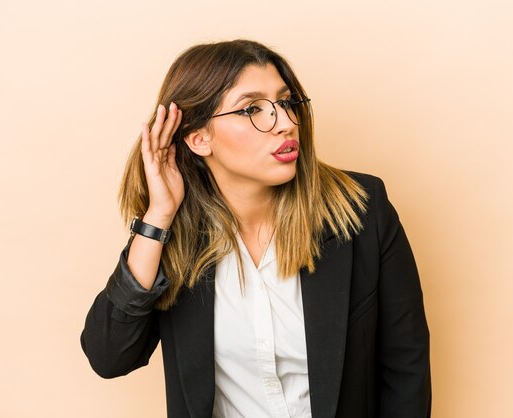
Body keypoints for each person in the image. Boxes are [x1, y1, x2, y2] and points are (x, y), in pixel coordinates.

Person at [80, 39, 431, 418]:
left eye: (285, 102)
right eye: (253, 109)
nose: (286, 123)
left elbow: (406, 369)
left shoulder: (361, 210)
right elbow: (109, 355)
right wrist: (158, 217)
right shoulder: (177, 239)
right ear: (200, 139)